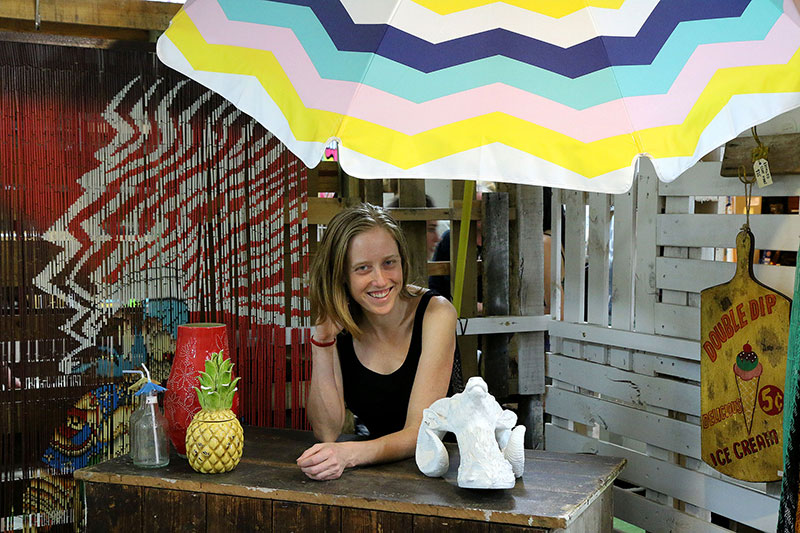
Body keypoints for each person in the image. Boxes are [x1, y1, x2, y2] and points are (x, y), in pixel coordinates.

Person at [297, 203, 457, 481]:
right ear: (341, 277)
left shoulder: (436, 313)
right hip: (385, 474)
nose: (380, 280)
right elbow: (326, 431)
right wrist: (322, 341)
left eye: (388, 262)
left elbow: (421, 432)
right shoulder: (340, 322)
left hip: (451, 470)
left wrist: (348, 454)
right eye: (362, 268)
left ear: (402, 260)